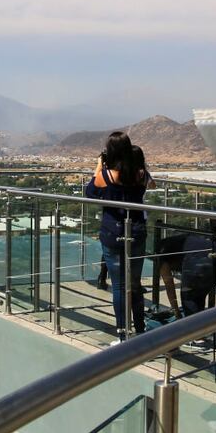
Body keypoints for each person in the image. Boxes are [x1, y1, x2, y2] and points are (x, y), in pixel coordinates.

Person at [85, 132, 149, 342]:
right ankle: (140, 330)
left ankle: (123, 335)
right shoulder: (141, 174)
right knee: (135, 283)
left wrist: (99, 166)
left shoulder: (107, 175)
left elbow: (91, 193)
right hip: (137, 231)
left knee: (120, 286)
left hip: (113, 232)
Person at [96, 145, 154, 291]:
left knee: (112, 249)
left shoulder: (117, 174)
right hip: (137, 216)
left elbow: (94, 190)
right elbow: (152, 185)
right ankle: (134, 283)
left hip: (115, 218)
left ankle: (104, 276)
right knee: (134, 251)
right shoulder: (141, 174)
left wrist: (102, 167)